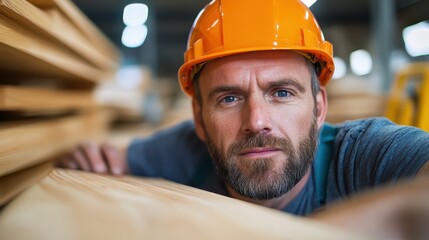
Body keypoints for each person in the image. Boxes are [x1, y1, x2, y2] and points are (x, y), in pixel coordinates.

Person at [59, 0, 429, 238]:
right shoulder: (182, 151)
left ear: (319, 108)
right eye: (230, 98)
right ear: (199, 121)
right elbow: (102, 165)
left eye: (282, 93)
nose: (257, 121)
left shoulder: (364, 155)